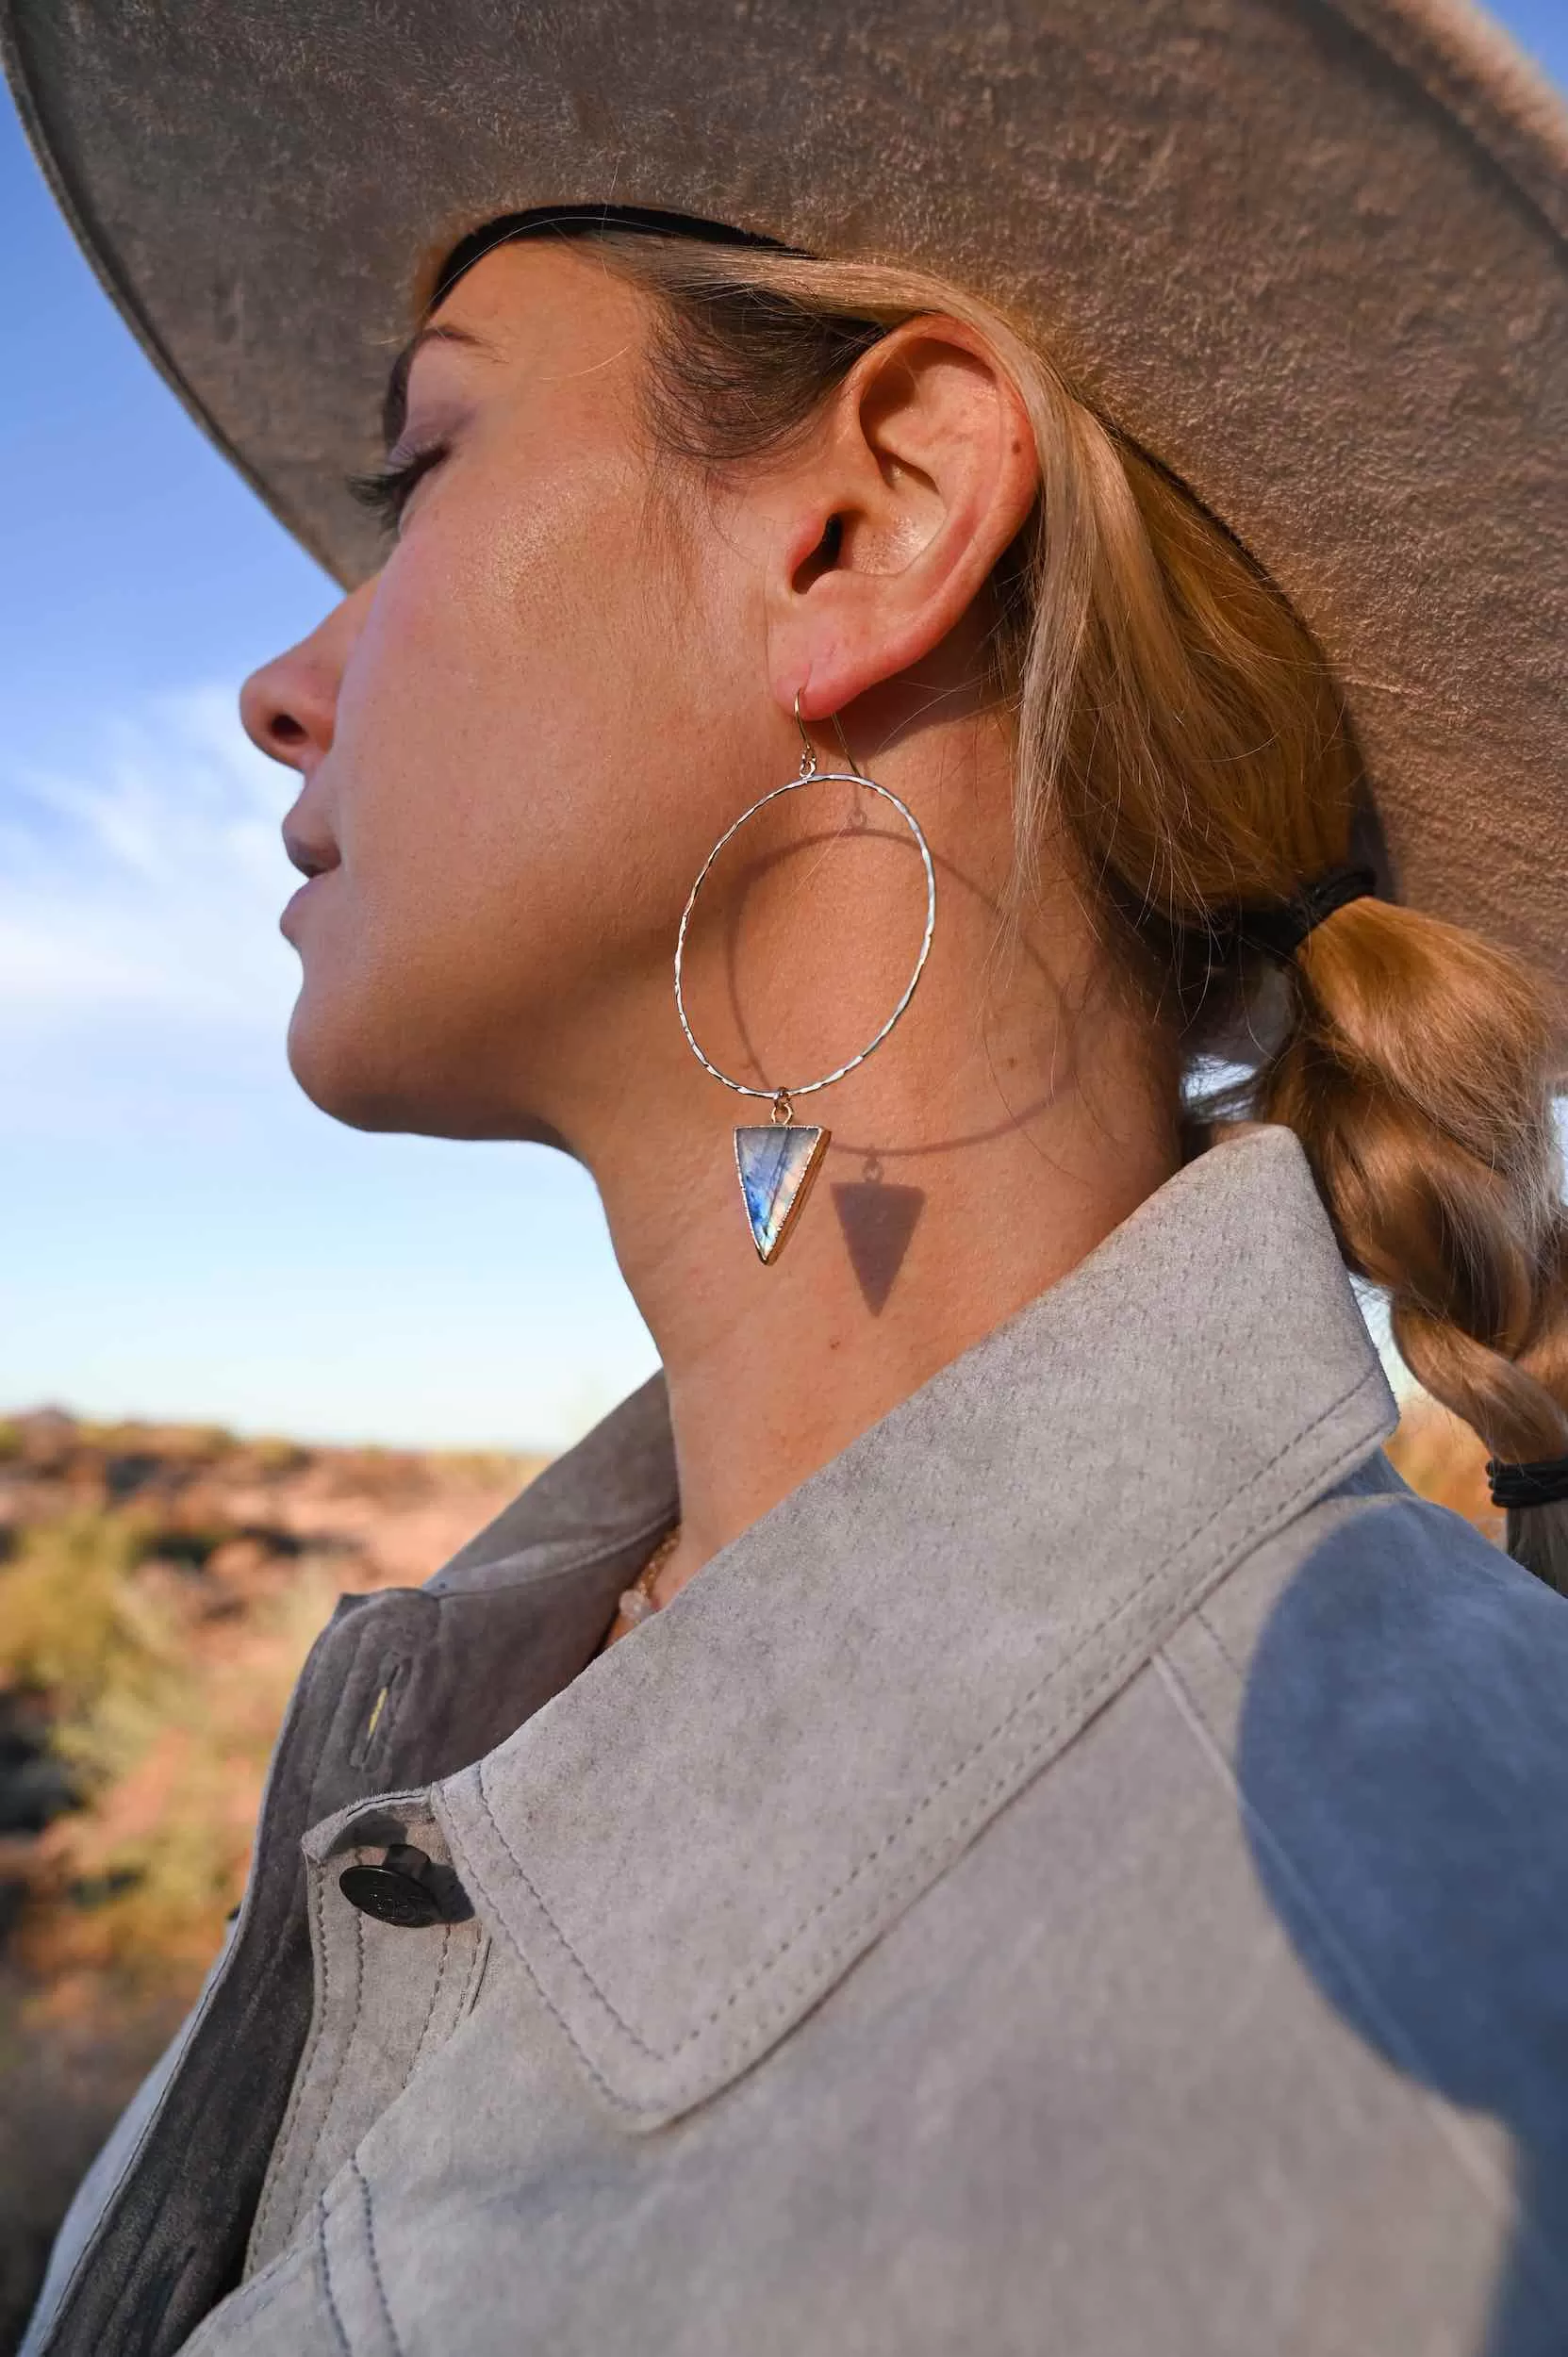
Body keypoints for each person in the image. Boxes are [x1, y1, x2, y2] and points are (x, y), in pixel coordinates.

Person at [8, 0, 1568, 2349]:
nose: (282, 687)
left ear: (870, 528)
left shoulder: (1389, 2064)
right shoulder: (511, 1677)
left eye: (419, 466)